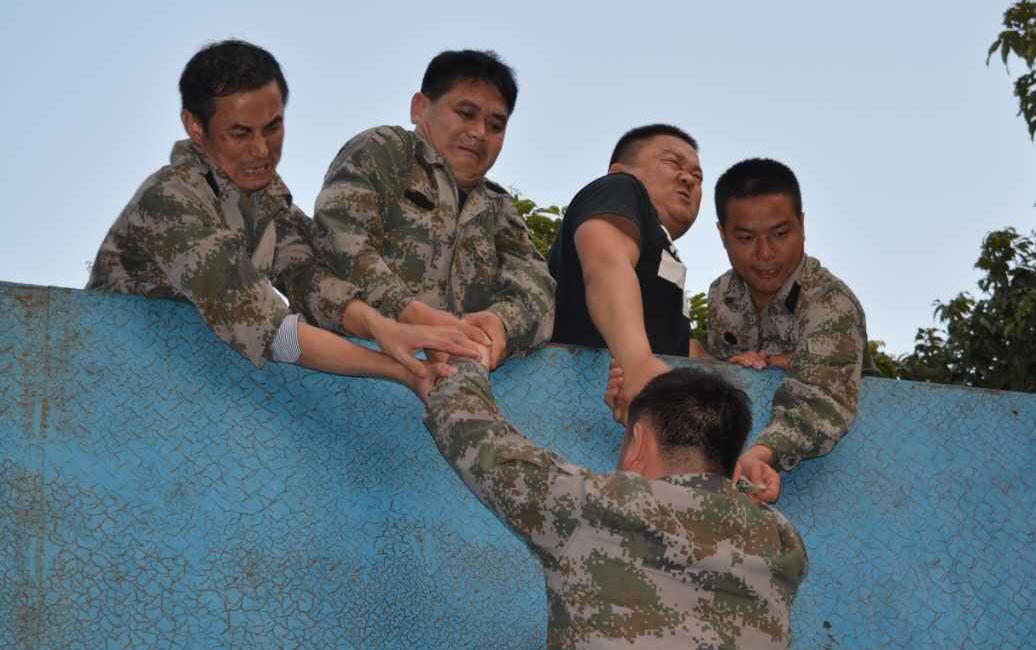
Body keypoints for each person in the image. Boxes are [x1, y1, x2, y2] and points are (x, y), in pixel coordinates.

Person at [415, 355, 807, 650]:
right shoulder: (778, 539)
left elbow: (482, 445)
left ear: (637, 443)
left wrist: (464, 366)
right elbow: (710, 496)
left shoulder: (602, 509)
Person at [89, 40, 486, 383]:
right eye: (240, 133)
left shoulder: (270, 205)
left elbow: (311, 280)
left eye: (273, 128)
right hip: (104, 373)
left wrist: (382, 325)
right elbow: (268, 328)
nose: (262, 151)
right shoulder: (170, 199)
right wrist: (402, 370)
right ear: (195, 126)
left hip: (188, 380)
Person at [314, 49, 554, 371]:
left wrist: (501, 324)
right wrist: (408, 312)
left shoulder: (500, 208)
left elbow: (538, 290)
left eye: (496, 126)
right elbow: (339, 239)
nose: (479, 133)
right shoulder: (388, 152)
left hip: (455, 379)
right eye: (465, 113)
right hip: (348, 368)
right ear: (420, 107)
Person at [706, 157, 868, 493]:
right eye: (745, 238)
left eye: (781, 234)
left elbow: (821, 400)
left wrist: (760, 456)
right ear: (722, 234)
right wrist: (735, 370)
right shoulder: (722, 295)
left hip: (835, 477)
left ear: (802, 225)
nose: (765, 253)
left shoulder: (831, 302)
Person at [547, 124, 704, 418]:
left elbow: (677, 346)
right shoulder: (621, 188)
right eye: (673, 163)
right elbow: (606, 265)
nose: (688, 179)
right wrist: (637, 363)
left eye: (698, 177)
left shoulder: (661, 254)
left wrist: (735, 362)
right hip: (569, 405)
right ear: (619, 171)